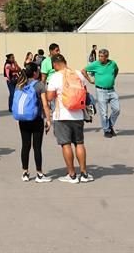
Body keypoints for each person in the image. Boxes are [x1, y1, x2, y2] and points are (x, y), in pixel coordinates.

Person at [46, 54, 93, 183]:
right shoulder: (78, 73)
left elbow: (49, 97)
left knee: (66, 144)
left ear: (55, 64)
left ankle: (72, 175)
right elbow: (84, 91)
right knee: (79, 143)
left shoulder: (55, 77)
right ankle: (84, 173)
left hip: (62, 115)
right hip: (78, 114)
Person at [13, 63, 52, 182]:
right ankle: (39, 174)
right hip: (36, 119)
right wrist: (48, 120)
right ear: (35, 73)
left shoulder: (19, 84)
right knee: (37, 147)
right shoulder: (39, 85)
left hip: (23, 120)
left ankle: (25, 172)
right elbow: (45, 104)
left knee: (25, 145)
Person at [84, 48, 120, 138]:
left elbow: (116, 70)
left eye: (102, 56)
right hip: (101, 91)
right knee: (104, 113)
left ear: (107, 57)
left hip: (112, 90)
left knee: (117, 109)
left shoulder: (112, 63)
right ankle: (107, 130)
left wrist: (113, 78)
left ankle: (109, 125)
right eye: (99, 56)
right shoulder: (95, 64)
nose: (100, 58)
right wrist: (90, 80)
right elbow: (83, 70)